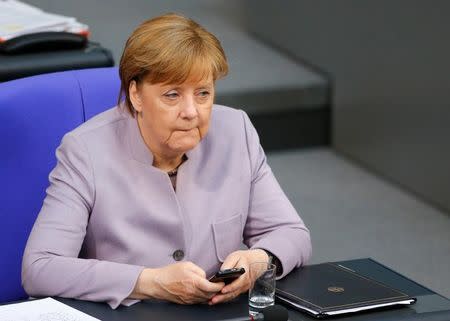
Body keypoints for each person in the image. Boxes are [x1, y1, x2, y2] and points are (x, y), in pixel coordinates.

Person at [21, 13, 311, 309]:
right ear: (135, 94)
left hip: (214, 314)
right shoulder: (84, 150)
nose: (191, 111)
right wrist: (152, 282)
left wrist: (259, 260)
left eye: (203, 93)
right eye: (172, 95)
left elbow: (292, 234)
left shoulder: (236, 131)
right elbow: (41, 268)